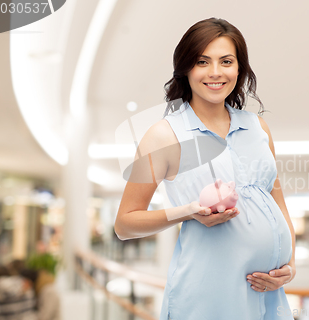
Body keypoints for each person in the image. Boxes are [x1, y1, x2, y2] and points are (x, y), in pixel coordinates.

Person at [115, 17, 296, 320]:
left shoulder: (258, 127)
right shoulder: (164, 135)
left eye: (226, 61)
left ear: (239, 69)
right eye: (202, 61)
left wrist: (290, 268)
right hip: (208, 295)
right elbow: (124, 223)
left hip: (267, 292)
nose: (215, 72)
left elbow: (277, 203)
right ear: (186, 69)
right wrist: (187, 212)